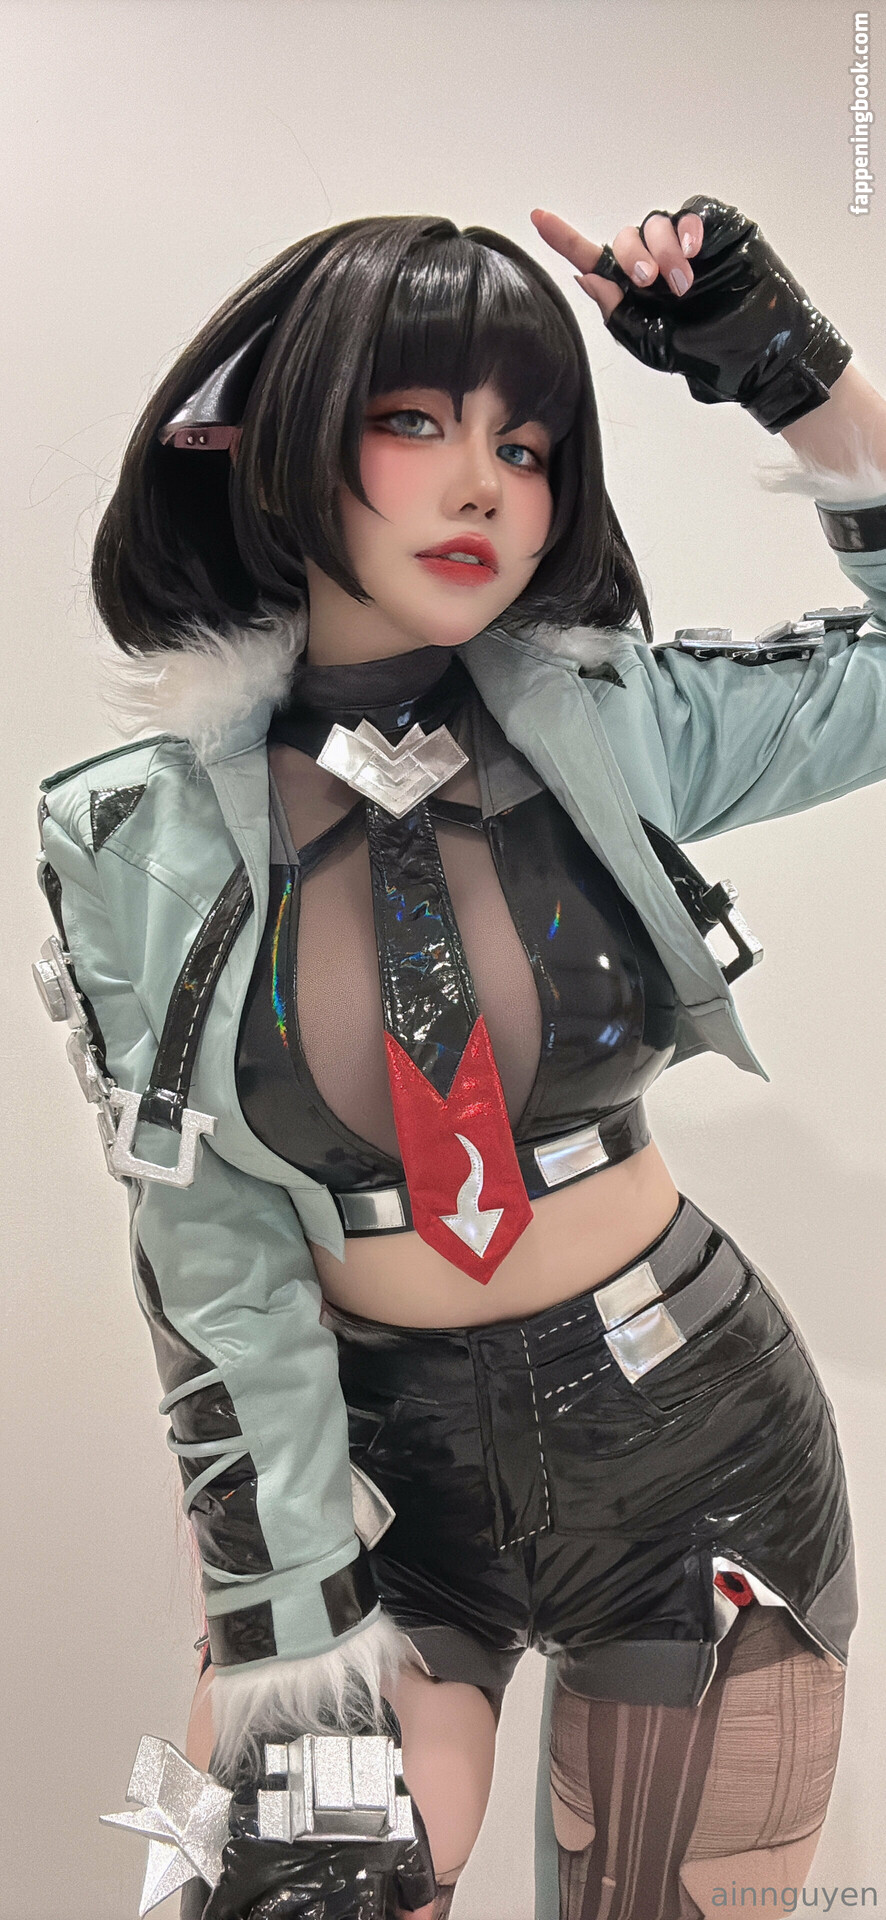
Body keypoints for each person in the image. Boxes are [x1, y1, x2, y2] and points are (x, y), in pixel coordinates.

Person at [34, 194, 886, 1920]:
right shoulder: (130, 835)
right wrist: (278, 1608)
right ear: (280, 444)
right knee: (289, 1886)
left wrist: (787, 370)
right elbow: (208, 1252)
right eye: (415, 421)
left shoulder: (616, 719)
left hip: (702, 1447)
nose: (485, 486)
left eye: (527, 443)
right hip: (372, 1484)